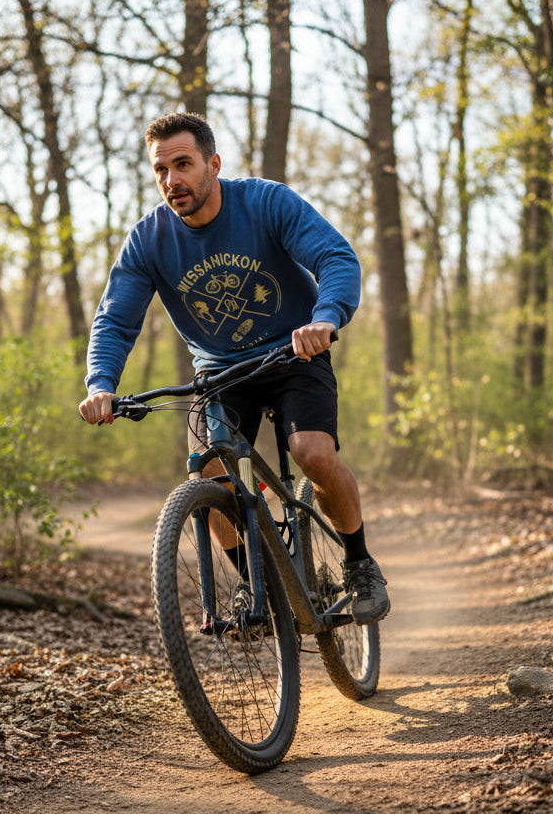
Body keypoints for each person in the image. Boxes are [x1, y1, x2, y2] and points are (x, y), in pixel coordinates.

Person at [79, 111, 389, 625]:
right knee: (209, 471)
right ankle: (255, 582)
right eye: (161, 170)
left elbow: (335, 257)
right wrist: (101, 385)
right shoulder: (149, 240)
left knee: (311, 453)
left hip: (295, 354)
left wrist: (325, 317)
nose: (172, 180)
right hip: (222, 373)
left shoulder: (265, 203)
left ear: (213, 164)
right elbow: (114, 320)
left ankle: (359, 563)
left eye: (183, 164)